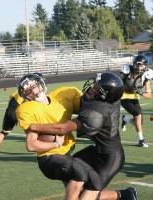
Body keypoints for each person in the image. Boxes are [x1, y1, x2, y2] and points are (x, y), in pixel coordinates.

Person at [27, 72, 137, 200]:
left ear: (103, 95)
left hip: (110, 159)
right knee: (74, 176)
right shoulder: (110, 98)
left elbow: (62, 129)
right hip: (96, 151)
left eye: (96, 88)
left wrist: (33, 126)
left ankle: (126, 195)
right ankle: (126, 195)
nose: (92, 88)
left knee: (86, 196)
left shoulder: (96, 113)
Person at [16, 73, 104, 200]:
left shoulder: (62, 95)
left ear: (41, 82)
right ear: (25, 95)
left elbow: (85, 105)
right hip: (48, 157)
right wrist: (55, 144)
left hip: (66, 152)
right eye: (28, 90)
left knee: (91, 188)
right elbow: (31, 145)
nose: (34, 91)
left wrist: (93, 93)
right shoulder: (27, 109)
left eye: (34, 86)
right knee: (79, 173)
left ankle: (125, 195)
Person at [120, 55, 153, 147]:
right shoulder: (127, 71)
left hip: (135, 97)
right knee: (138, 115)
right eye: (138, 65)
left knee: (139, 122)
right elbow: (119, 82)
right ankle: (141, 141)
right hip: (124, 96)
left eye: (142, 65)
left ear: (145, 66)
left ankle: (125, 119)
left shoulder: (146, 76)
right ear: (134, 65)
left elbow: (149, 95)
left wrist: (141, 93)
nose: (140, 67)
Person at [0, 89, 24, 158]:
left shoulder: (18, 90)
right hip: (18, 112)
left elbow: (11, 100)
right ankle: (41, 150)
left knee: (4, 132)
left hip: (9, 111)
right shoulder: (29, 92)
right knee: (34, 130)